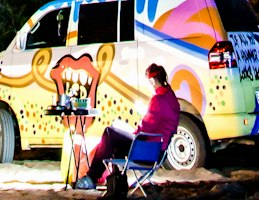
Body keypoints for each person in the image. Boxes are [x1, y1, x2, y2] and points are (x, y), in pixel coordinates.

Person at [73, 63, 181, 191]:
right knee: (113, 138)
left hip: (146, 151)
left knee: (109, 133)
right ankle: (107, 177)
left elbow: (145, 130)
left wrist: (135, 131)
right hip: (159, 151)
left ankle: (92, 177)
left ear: (152, 80)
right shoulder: (172, 98)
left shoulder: (158, 100)